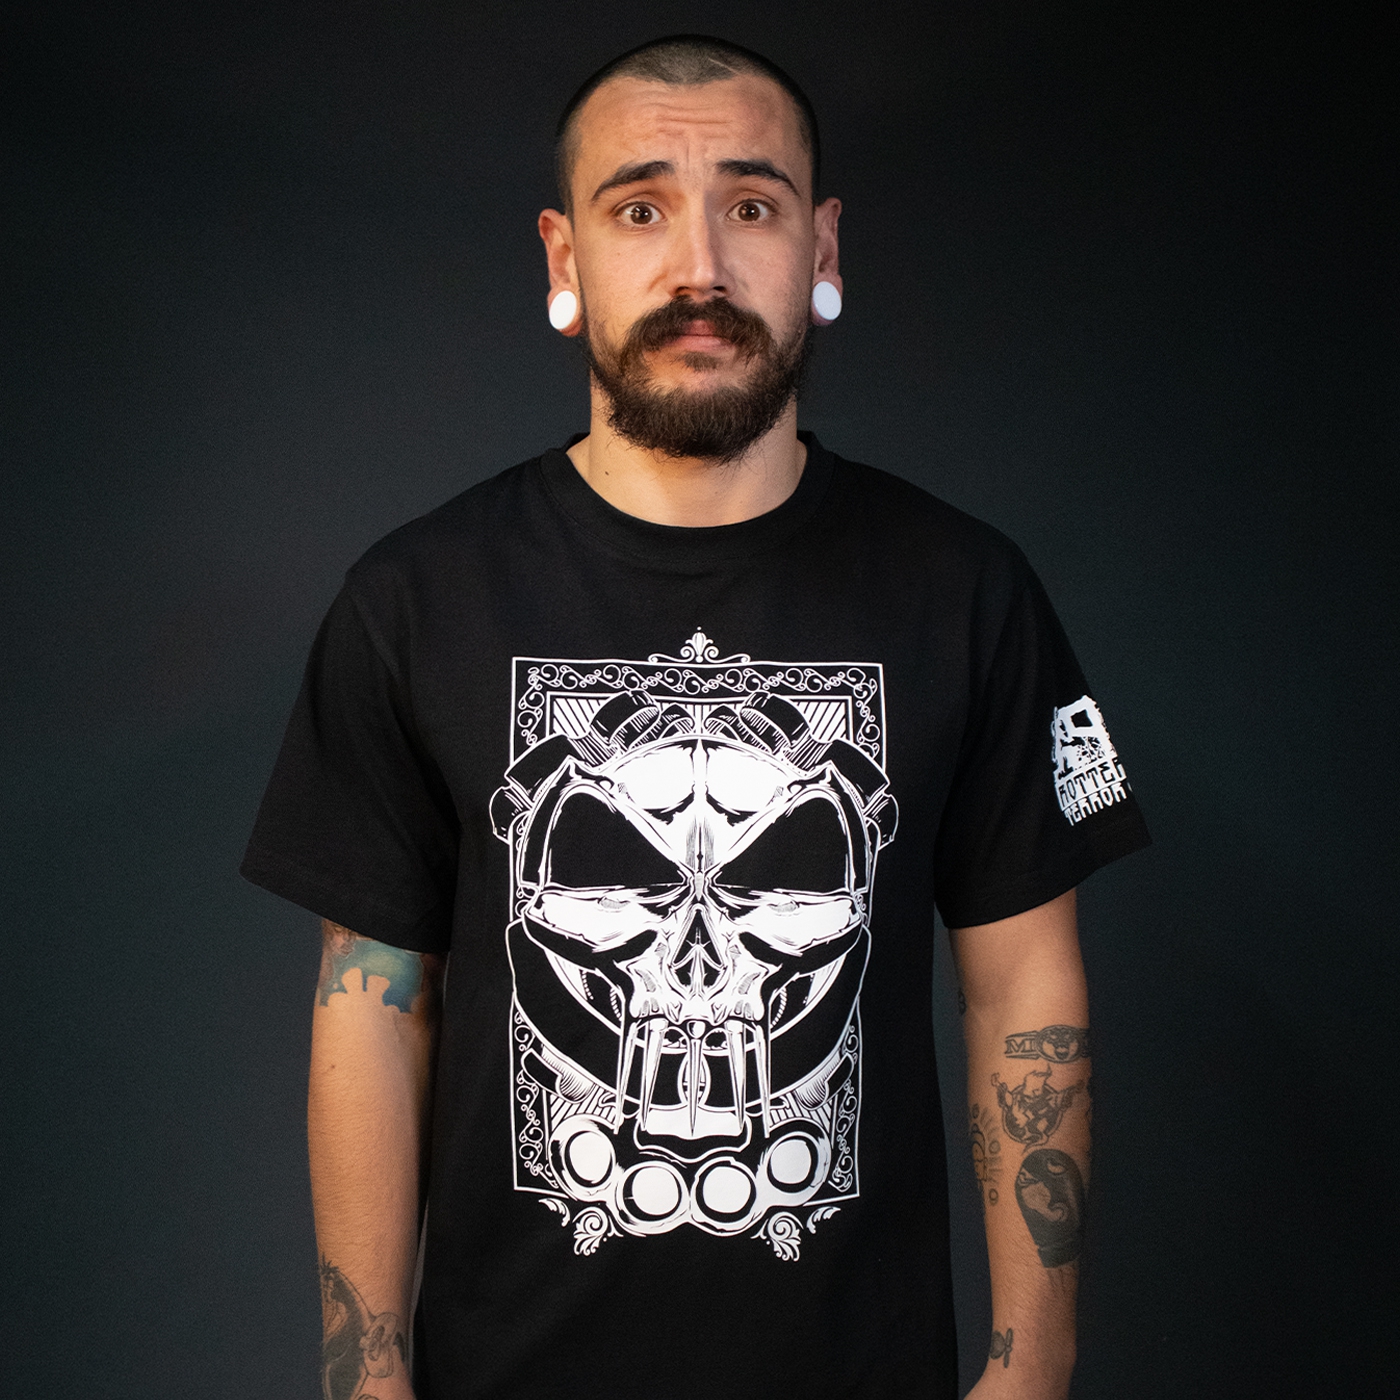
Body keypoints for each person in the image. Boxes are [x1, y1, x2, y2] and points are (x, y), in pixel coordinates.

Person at [242, 34, 1148, 1400]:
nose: (701, 269)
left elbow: (1024, 986)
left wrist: (1034, 1370)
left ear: (821, 247)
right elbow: (373, 1003)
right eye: (641, 210)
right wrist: (365, 1380)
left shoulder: (967, 592)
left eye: (753, 205)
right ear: (564, 259)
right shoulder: (414, 601)